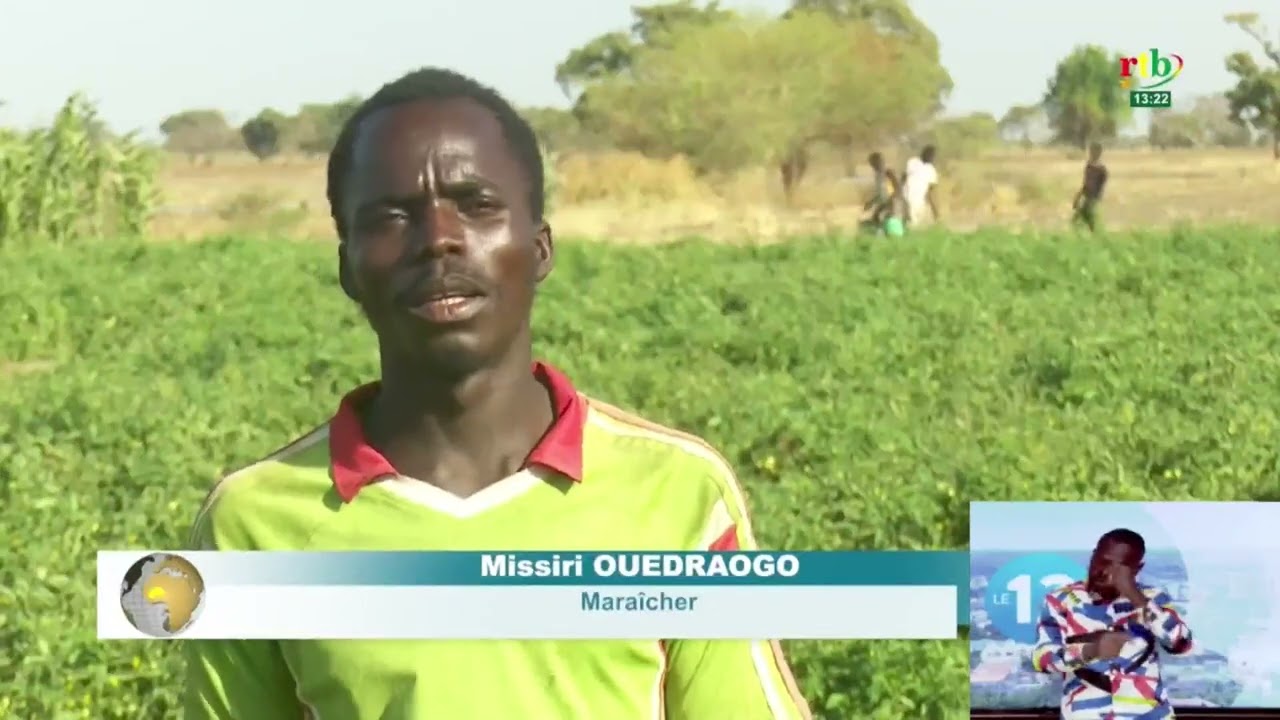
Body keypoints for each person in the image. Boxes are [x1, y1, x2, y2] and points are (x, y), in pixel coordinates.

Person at [182, 68, 812, 720]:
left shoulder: (676, 491)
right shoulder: (253, 524)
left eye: (477, 204)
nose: (439, 239)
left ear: (539, 248)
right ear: (348, 267)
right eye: (392, 216)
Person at [1031, 528, 1193, 720]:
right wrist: (1091, 651)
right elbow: (1041, 660)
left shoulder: (1153, 599)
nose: (1105, 572)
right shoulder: (1060, 601)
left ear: (1137, 569)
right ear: (1093, 556)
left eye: (1120, 568)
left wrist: (1135, 596)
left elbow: (1181, 644)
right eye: (1103, 561)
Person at [862, 152, 905, 237]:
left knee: (886, 218)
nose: (875, 166)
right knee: (876, 217)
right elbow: (881, 193)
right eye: (873, 164)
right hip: (885, 201)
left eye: (878, 162)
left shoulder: (888, 172)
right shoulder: (878, 176)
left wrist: (892, 201)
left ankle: (888, 234)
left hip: (892, 202)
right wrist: (871, 202)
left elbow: (898, 188)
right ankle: (881, 234)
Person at [1072, 142, 1108, 232]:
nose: (1091, 153)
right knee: (1083, 216)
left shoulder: (1101, 169)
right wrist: (1078, 196)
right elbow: (1085, 182)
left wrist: (1096, 196)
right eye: (1091, 151)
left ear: (1099, 152)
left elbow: (1101, 185)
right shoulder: (1089, 166)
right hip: (1087, 194)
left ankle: (1093, 232)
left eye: (1093, 151)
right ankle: (1093, 232)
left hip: (1093, 196)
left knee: (1082, 216)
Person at [901, 145, 940, 227]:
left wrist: (935, 211)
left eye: (933, 156)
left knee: (913, 225)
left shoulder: (932, 171)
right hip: (906, 197)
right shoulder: (912, 162)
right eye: (930, 154)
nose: (931, 157)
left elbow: (931, 192)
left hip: (919, 202)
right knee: (907, 223)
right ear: (923, 153)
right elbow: (903, 178)